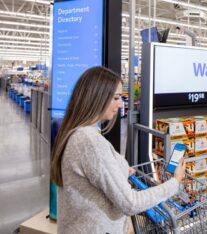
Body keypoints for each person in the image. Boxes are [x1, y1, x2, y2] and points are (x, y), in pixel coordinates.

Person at [51, 67, 186, 234]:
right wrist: (175, 182)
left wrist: (120, 171)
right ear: (96, 97)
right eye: (115, 98)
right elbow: (131, 203)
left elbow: (93, 177)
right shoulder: (89, 141)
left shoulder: (78, 133)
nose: (120, 104)